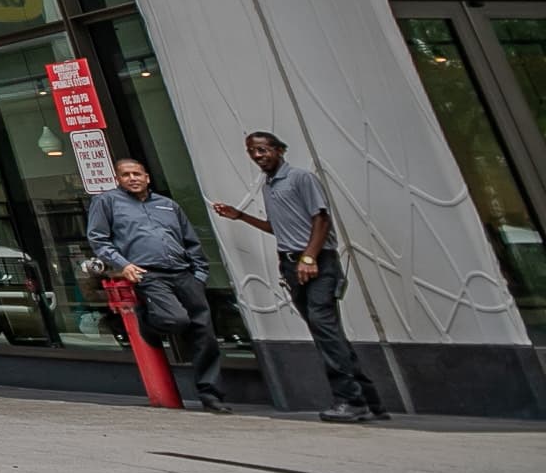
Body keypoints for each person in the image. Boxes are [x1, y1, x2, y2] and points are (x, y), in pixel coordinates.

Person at [215, 131, 387, 422]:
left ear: (279, 150)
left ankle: (350, 401)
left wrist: (309, 257)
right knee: (327, 333)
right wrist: (240, 216)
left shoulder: (300, 178)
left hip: (317, 263)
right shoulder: (269, 186)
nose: (258, 156)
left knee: (324, 328)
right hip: (292, 265)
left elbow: (321, 218)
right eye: (252, 151)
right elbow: (278, 228)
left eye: (262, 149)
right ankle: (370, 402)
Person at [85, 158, 226, 411]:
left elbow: (190, 241)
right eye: (126, 175)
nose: (132, 178)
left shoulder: (168, 206)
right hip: (147, 274)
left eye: (137, 173)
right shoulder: (107, 202)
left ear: (147, 177)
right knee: (176, 320)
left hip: (184, 274)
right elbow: (99, 239)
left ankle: (210, 394)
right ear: (118, 179)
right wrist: (124, 264)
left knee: (204, 335)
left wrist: (200, 274)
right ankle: (148, 323)